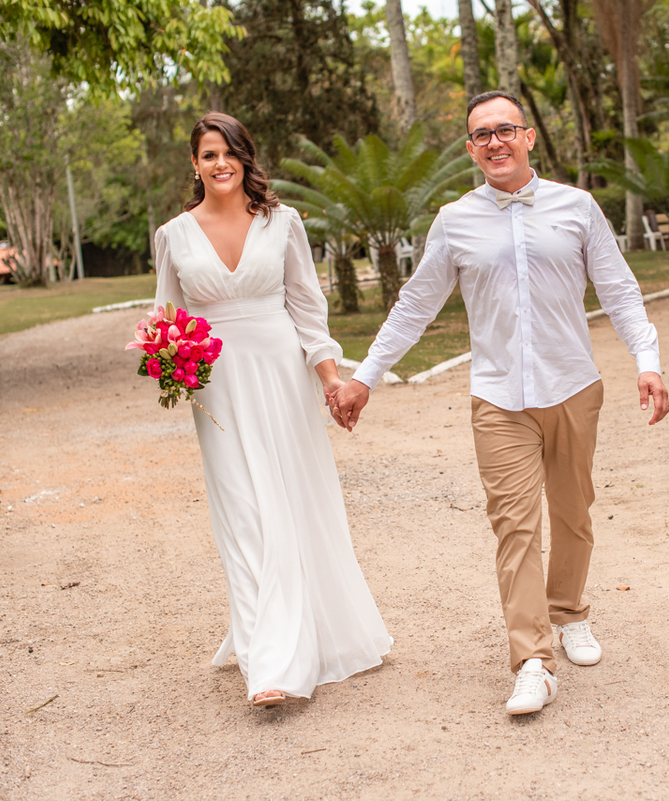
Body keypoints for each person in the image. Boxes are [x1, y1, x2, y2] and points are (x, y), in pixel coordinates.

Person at [330, 91, 669, 716]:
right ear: (470, 149)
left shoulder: (578, 207)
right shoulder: (454, 220)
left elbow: (620, 291)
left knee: (572, 514)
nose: (494, 142)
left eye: (504, 130)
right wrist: (365, 375)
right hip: (498, 398)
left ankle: (569, 613)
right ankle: (532, 660)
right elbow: (415, 304)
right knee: (515, 528)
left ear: (529, 137)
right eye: (481, 135)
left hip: (572, 386)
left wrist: (647, 363)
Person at [153, 112, 392, 707]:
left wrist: (332, 381)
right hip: (218, 388)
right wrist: (169, 361)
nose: (220, 163)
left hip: (282, 376)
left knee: (291, 502)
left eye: (229, 152)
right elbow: (166, 320)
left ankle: (281, 657)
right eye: (209, 154)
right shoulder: (173, 235)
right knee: (242, 511)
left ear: (246, 157)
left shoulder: (282, 223)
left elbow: (308, 310)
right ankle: (268, 655)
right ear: (195, 164)